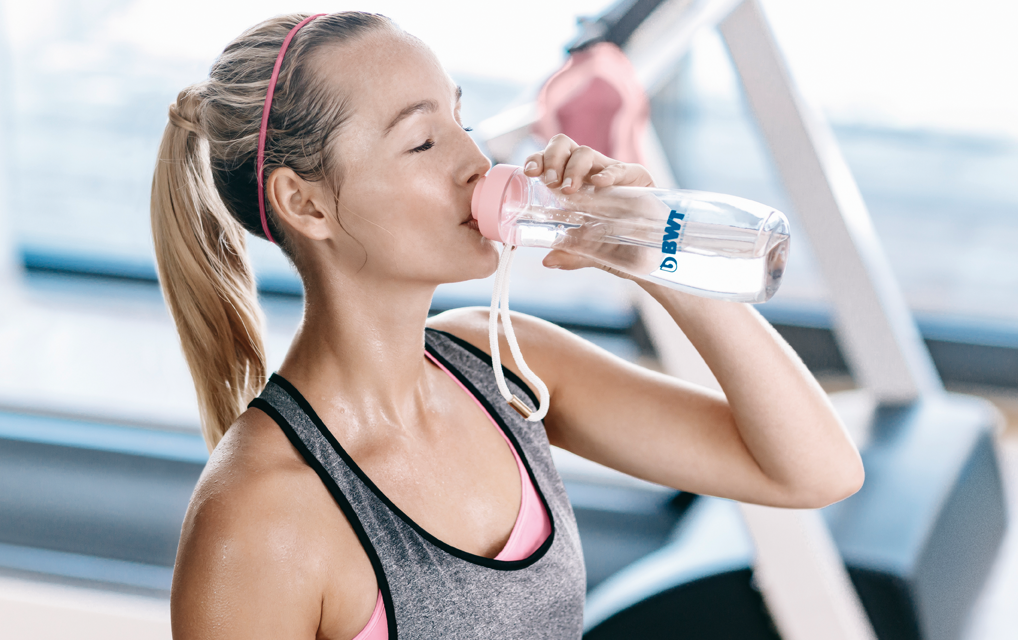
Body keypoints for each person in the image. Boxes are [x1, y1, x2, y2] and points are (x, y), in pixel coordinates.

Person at [151, 11, 864, 640]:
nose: (476, 161)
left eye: (461, 120)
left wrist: (651, 246)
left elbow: (815, 470)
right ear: (305, 205)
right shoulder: (259, 521)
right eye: (424, 143)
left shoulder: (503, 368)